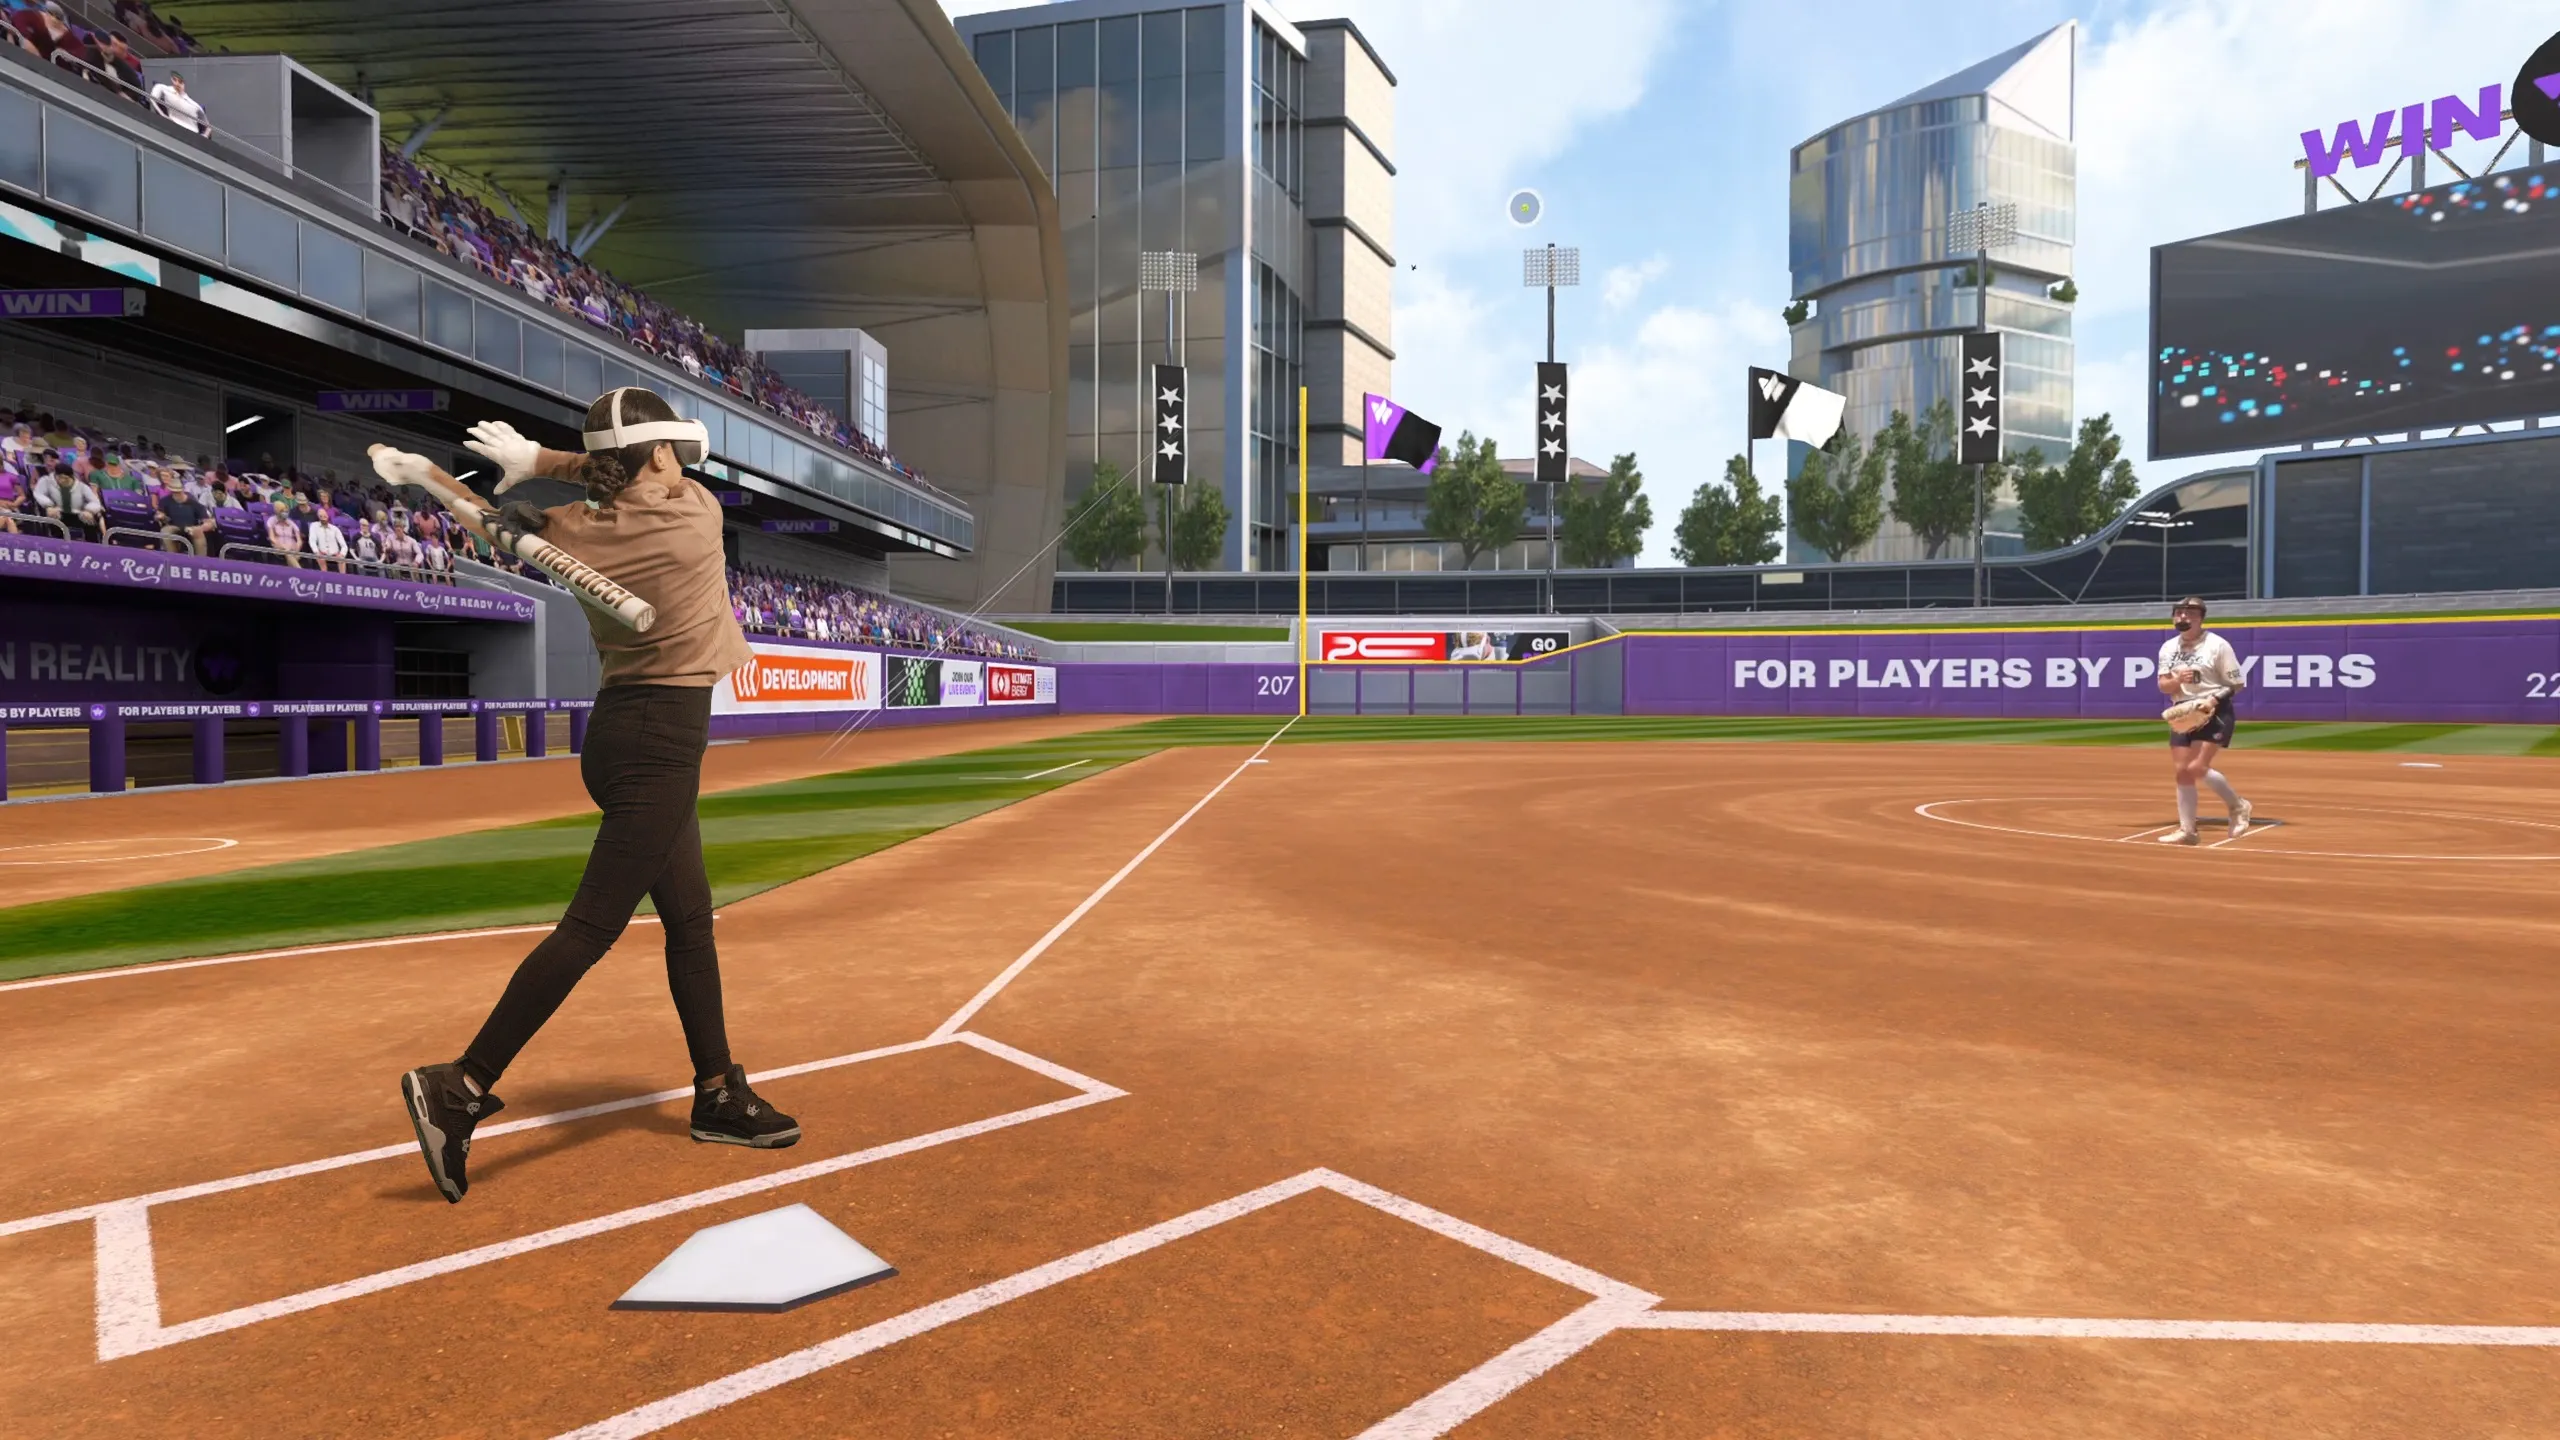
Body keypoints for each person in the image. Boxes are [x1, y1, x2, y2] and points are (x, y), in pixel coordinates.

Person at [383, 387, 797, 1205]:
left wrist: (475, 481)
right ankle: (461, 1084)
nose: (681, 462)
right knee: (591, 928)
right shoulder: (696, 515)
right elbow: (628, 471)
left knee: (689, 920)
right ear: (661, 453)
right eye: (671, 451)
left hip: (622, 731)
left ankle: (717, 1090)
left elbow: (502, 518)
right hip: (661, 742)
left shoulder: (572, 529)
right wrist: (540, 461)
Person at [2155, 596, 2252, 846]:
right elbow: (2163, 685)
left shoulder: (2218, 645)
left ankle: (2238, 806)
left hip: (2214, 709)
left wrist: (2212, 700)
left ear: (2201, 618)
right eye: (2179, 613)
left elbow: (2237, 683)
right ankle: (2188, 831)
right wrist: (2177, 681)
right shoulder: (2168, 648)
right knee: (2182, 771)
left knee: (2197, 767)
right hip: (2183, 711)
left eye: (2190, 613)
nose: (2183, 617)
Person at [155, 482, 212, 555]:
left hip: (191, 527)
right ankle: (172, 556)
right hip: (173, 525)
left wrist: (201, 528)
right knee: (165, 531)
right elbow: (158, 514)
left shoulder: (194, 503)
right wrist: (160, 516)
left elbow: (206, 521)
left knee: (198, 533)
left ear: (183, 490)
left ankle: (200, 559)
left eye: (178, 492)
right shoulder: (165, 501)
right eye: (174, 492)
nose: (176, 494)